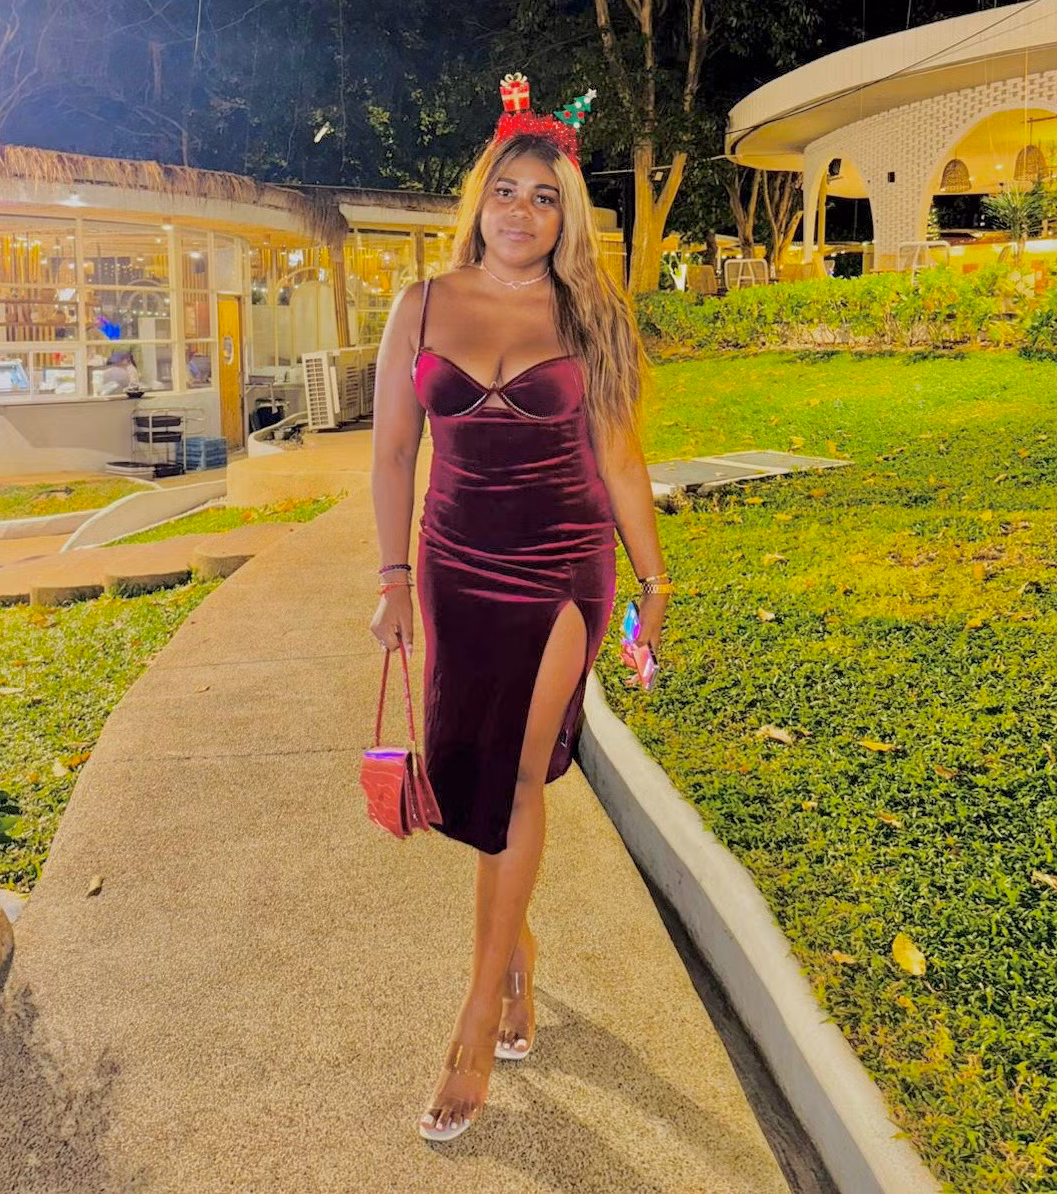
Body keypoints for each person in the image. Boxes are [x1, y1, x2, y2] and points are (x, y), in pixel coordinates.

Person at [369, 77, 673, 1143]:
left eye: (546, 199)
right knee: (474, 773)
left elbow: (621, 461)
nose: (523, 212)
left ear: (566, 217)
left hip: (560, 569)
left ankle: (474, 1018)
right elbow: (393, 454)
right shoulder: (421, 305)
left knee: (516, 770)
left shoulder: (591, 317)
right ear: (480, 201)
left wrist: (654, 582)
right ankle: (519, 951)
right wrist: (392, 580)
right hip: (454, 567)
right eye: (507, 192)